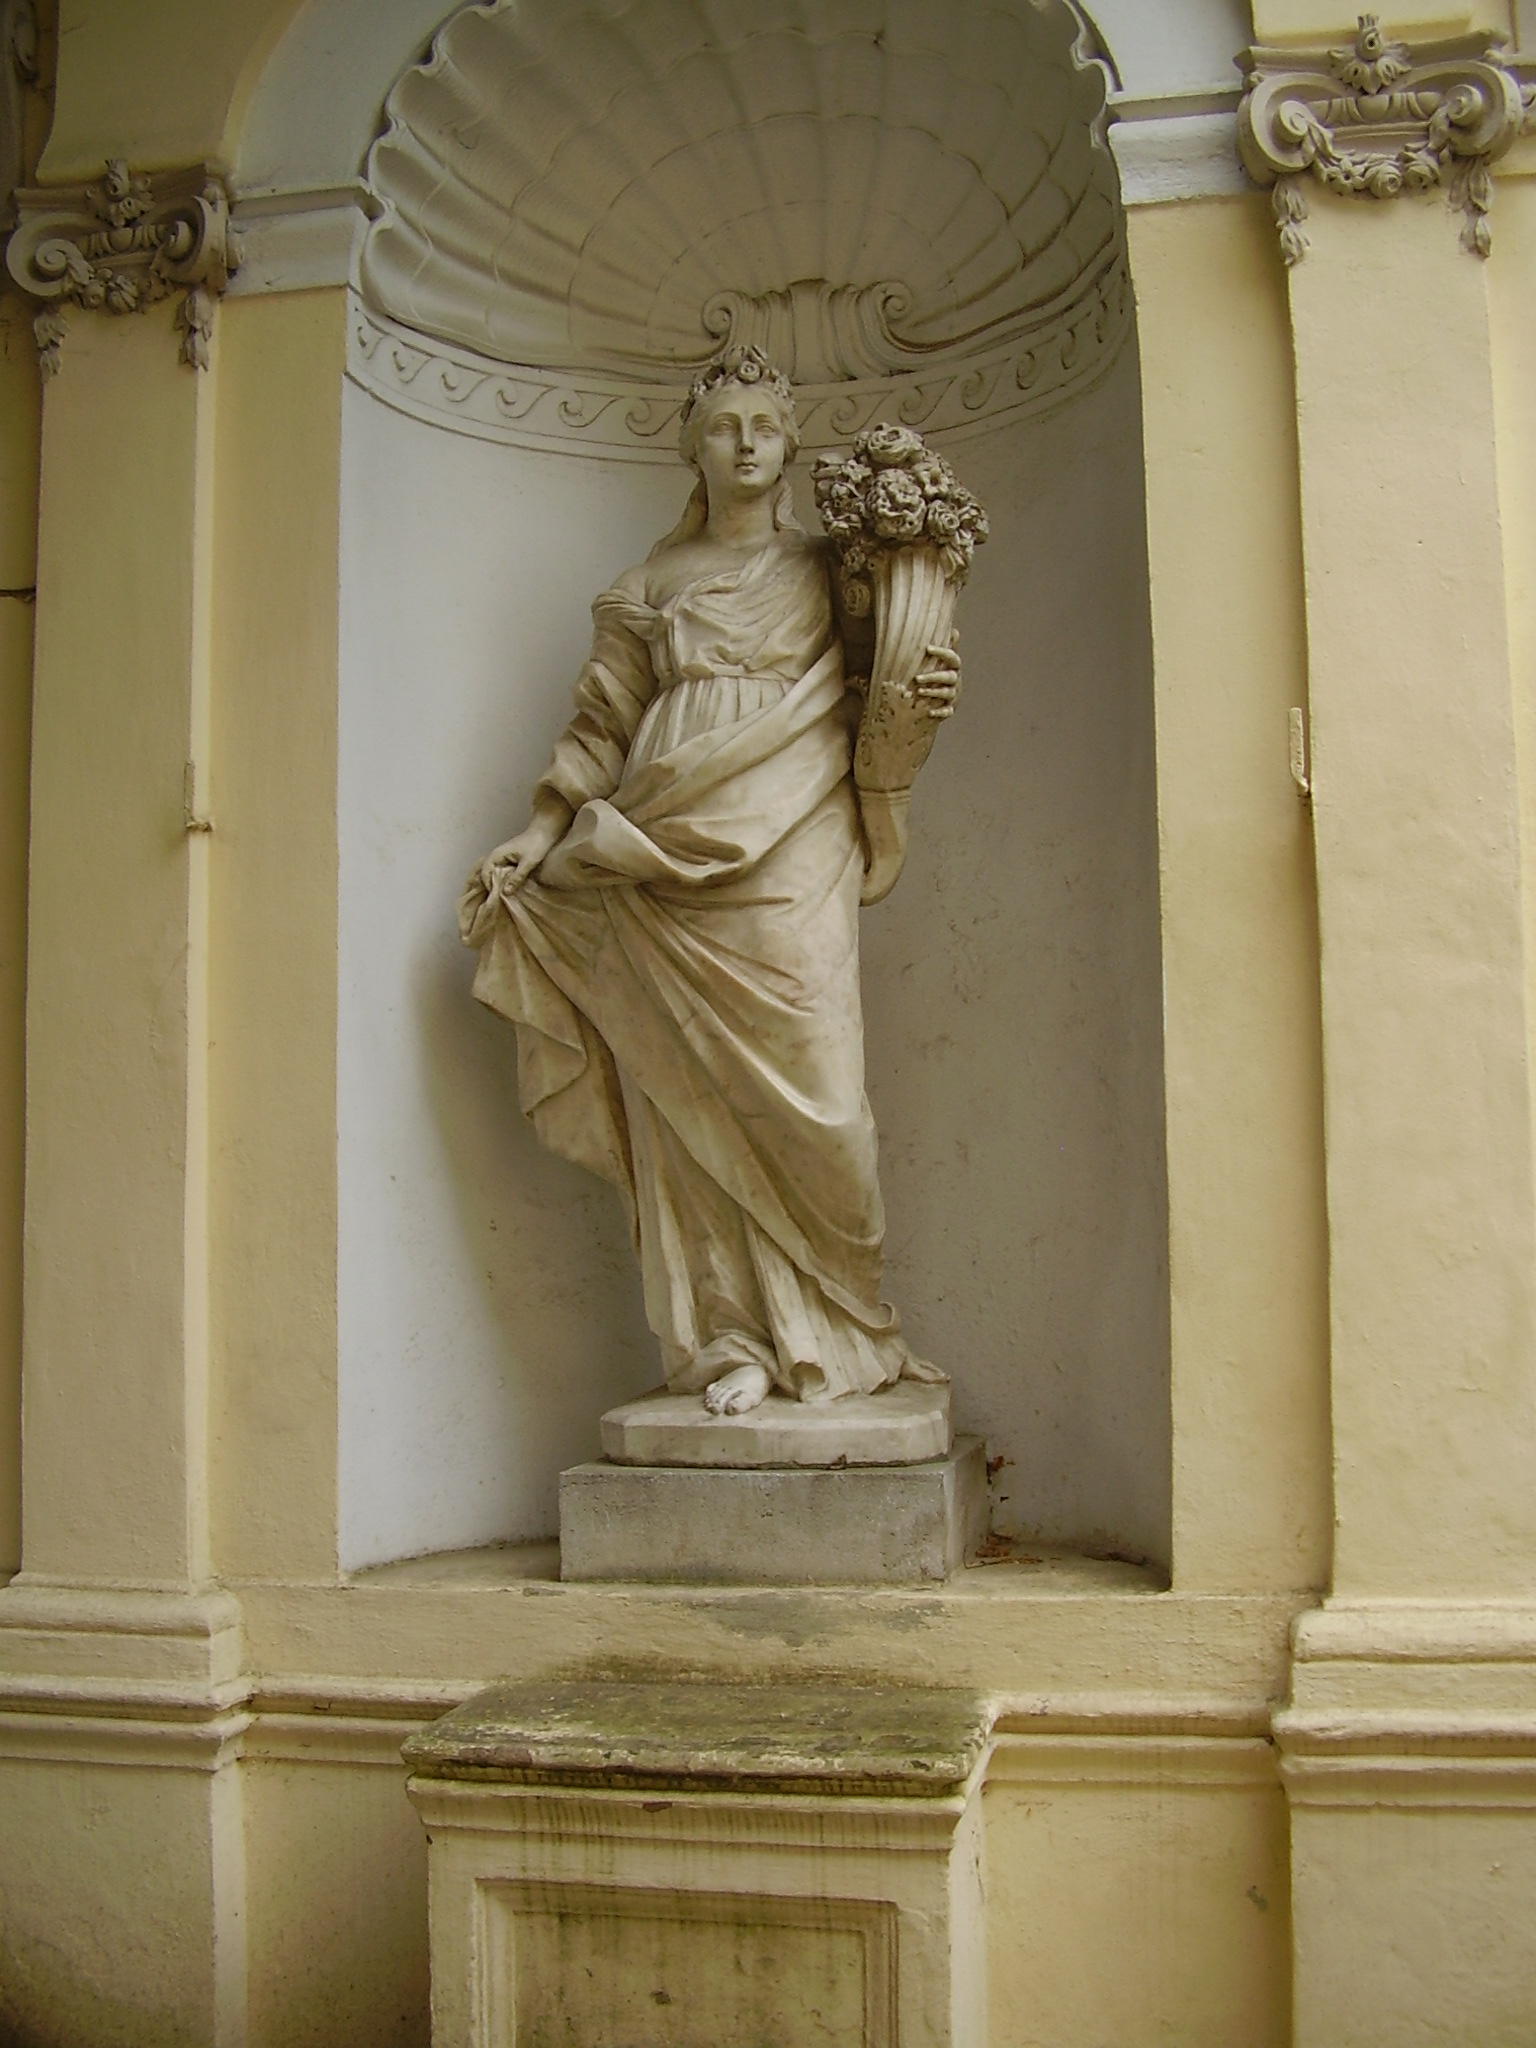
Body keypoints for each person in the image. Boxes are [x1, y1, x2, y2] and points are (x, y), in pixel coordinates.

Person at [459, 345, 959, 1418]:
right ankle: (732, 1338)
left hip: (796, 828)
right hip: (664, 836)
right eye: (725, 427)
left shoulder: (831, 566)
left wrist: (922, 689)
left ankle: (852, 1323)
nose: (745, 444)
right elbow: (602, 722)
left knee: (825, 1090)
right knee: (688, 1097)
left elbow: (884, 683)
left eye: (764, 427)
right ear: (693, 446)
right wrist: (540, 830)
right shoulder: (649, 583)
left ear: (790, 445)